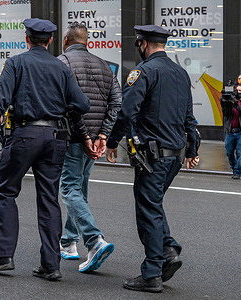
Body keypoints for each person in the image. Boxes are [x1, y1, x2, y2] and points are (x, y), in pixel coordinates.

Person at [0, 18, 90, 281]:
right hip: (55, 137)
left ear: (26, 39)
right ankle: (51, 265)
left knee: (6, 191)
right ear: (50, 41)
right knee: (49, 199)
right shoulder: (61, 68)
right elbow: (82, 104)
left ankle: (3, 257)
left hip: (25, 133)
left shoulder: (16, 63)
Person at [105, 25, 199, 293]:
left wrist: (112, 142)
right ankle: (169, 250)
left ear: (143, 44)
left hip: (152, 157)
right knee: (153, 205)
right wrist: (192, 150)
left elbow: (126, 112)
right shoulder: (181, 73)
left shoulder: (144, 72)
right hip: (174, 157)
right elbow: (189, 118)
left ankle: (151, 274)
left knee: (147, 211)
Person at [57, 22, 121, 272]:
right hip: (95, 141)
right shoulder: (105, 65)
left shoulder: (62, 63)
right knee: (80, 188)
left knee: (69, 188)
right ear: (88, 42)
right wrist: (103, 134)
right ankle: (69, 242)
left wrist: (84, 136)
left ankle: (94, 241)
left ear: (65, 41)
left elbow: (68, 106)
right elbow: (116, 102)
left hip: (74, 138)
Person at [222, 84, 241, 179]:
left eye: (240, 90)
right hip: (230, 131)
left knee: (240, 153)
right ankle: (234, 167)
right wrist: (225, 100)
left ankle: (237, 172)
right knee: (229, 153)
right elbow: (225, 113)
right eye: (237, 90)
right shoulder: (229, 102)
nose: (238, 92)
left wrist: (235, 103)